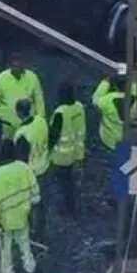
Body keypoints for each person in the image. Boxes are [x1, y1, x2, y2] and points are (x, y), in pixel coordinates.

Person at [0, 138, 40, 273]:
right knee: (25, 242)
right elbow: (35, 190)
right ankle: (30, 267)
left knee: (5, 249)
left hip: (5, 220)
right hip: (22, 215)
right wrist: (32, 203)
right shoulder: (24, 167)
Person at [49, 82, 86, 214]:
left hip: (61, 156)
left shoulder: (61, 112)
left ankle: (66, 208)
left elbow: (54, 135)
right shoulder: (79, 107)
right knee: (71, 182)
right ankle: (74, 206)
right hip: (77, 152)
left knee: (63, 183)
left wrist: (47, 150)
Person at [14, 98, 49, 237]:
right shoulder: (41, 121)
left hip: (31, 172)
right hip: (44, 166)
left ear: (18, 113)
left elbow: (21, 159)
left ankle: (33, 233)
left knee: (30, 203)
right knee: (40, 202)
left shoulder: (22, 134)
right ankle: (41, 229)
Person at [0, 53, 45, 138]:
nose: (17, 68)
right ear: (10, 66)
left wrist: (40, 119)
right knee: (7, 147)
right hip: (7, 124)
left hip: (28, 124)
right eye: (14, 66)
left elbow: (39, 99)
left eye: (19, 66)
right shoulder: (2, 77)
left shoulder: (32, 77)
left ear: (23, 65)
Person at [94, 75, 126, 152]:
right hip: (132, 141)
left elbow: (95, 99)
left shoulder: (106, 100)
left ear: (115, 87)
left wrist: (106, 81)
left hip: (109, 141)